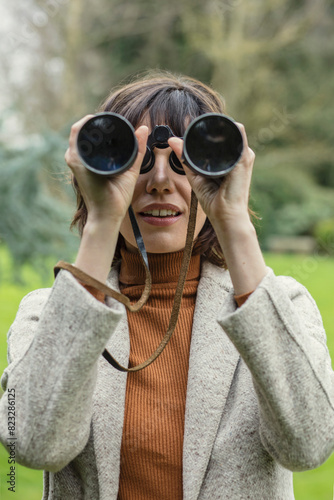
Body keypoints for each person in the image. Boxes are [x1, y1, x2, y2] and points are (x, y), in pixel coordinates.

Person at [0, 71, 334, 500]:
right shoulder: (48, 313)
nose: (160, 180)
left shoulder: (281, 305)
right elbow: (31, 442)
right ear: (101, 169)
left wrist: (232, 220)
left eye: (185, 160)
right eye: (136, 160)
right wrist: (102, 221)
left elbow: (309, 445)